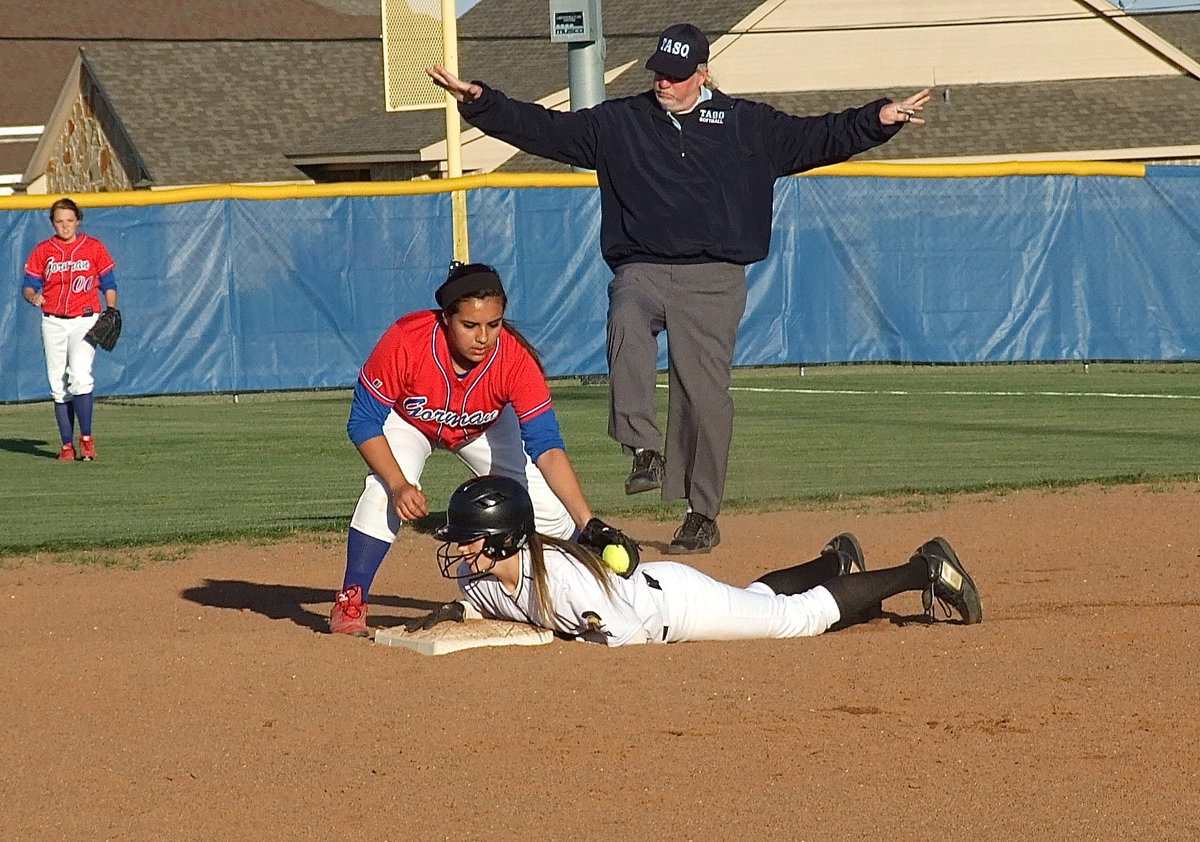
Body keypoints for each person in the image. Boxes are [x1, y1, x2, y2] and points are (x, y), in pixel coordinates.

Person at [426, 23, 929, 554]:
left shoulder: (746, 125)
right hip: (642, 267)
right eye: (659, 73)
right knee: (626, 314)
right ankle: (642, 447)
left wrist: (877, 119)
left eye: (676, 75)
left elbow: (819, 135)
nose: (664, 83)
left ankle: (701, 513)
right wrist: (483, 104)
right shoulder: (623, 122)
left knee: (705, 397)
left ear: (703, 74)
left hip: (714, 277)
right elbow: (545, 129)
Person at [330, 261, 637, 636]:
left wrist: (587, 522)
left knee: (553, 515)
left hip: (482, 426)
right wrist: (398, 484)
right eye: (470, 325)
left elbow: (547, 446)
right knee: (382, 492)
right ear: (446, 318)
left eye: (494, 324)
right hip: (411, 423)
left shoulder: (514, 360)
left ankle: (550, 591)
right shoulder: (408, 339)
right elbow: (363, 421)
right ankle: (352, 597)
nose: (484, 337)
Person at [412, 475, 983, 645]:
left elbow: (629, 640)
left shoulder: (562, 581)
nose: (457, 549)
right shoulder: (478, 576)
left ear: (506, 540)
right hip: (655, 592)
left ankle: (923, 569)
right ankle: (835, 563)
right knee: (759, 599)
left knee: (794, 620)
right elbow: (484, 611)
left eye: (467, 539)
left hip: (673, 609)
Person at [21, 197, 119, 462]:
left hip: (85, 320)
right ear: (53, 223)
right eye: (59, 221)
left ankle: (86, 439)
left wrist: (110, 310)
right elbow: (28, 285)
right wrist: (32, 297)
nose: (64, 226)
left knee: (79, 374)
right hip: (52, 321)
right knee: (57, 384)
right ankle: (66, 445)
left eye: (69, 220)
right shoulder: (43, 250)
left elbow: (109, 282)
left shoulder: (94, 248)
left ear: (78, 220)